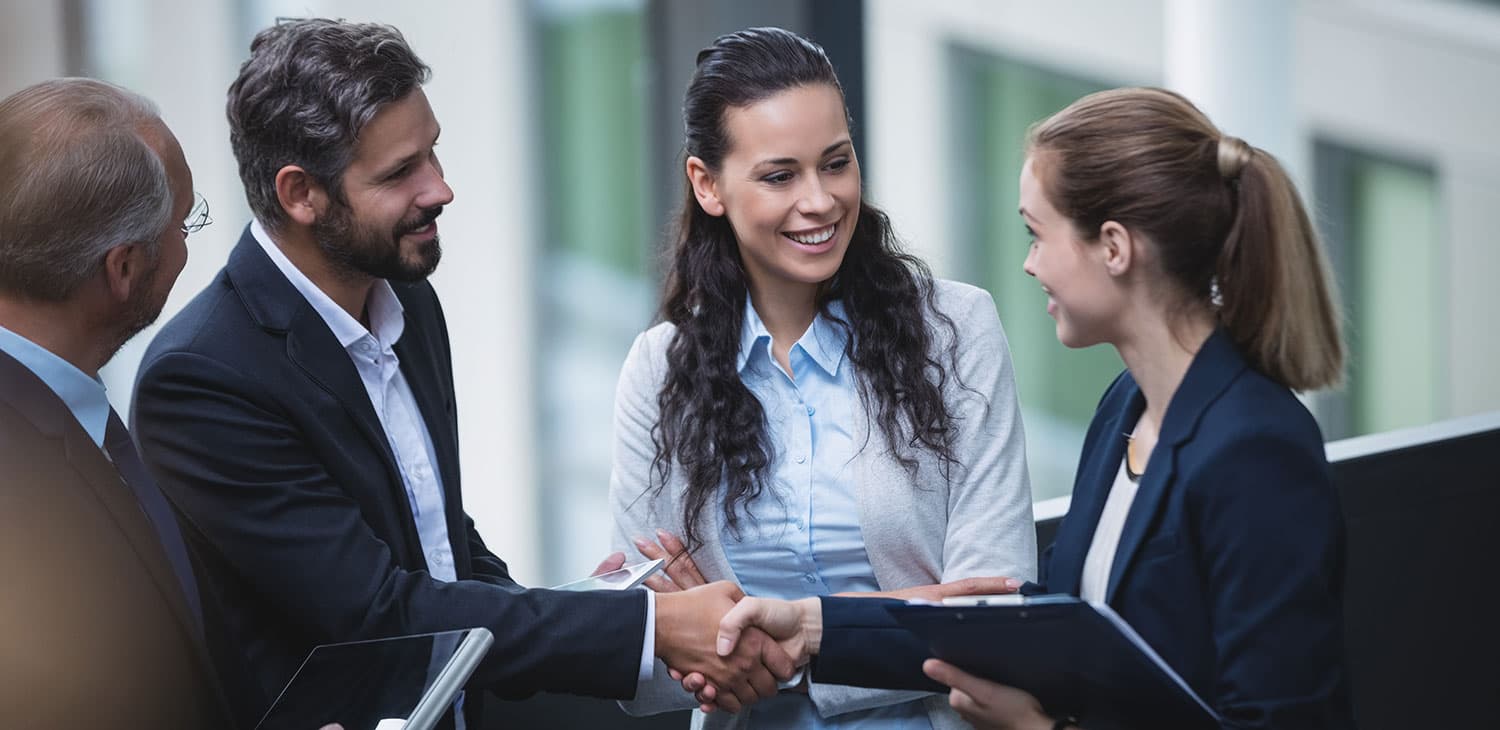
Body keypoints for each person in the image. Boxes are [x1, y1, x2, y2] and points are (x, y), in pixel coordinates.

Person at [130, 18, 791, 730]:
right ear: (300, 194)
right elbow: (378, 613)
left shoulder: (406, 299)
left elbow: (442, 545)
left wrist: (591, 609)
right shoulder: (202, 377)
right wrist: (647, 626)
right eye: (399, 173)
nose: (440, 188)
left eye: (432, 152)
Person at [708, 87, 1355, 729]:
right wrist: (813, 626)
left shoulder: (1256, 450)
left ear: (1113, 247)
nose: (1027, 263)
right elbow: (1047, 627)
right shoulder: (1127, 408)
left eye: (1036, 234)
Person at [609, 27, 1036, 728]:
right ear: (708, 184)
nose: (821, 201)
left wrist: (785, 638)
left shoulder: (957, 333)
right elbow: (650, 657)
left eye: (836, 163)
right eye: (780, 176)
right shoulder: (657, 373)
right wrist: (911, 611)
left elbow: (991, 619)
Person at [0, 77, 234, 728]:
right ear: (124, 268)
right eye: (185, 223)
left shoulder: (65, 414)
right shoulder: (18, 490)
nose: (189, 245)